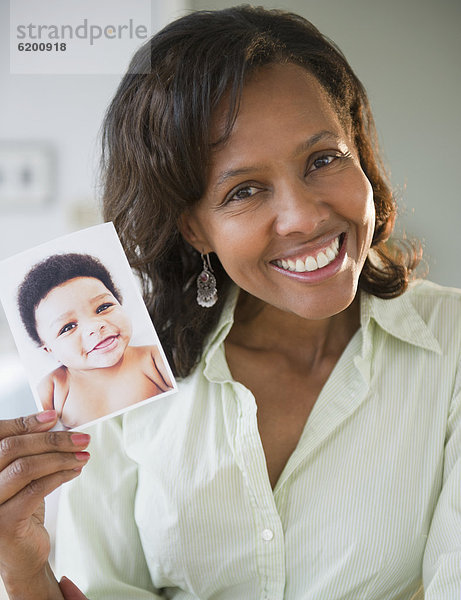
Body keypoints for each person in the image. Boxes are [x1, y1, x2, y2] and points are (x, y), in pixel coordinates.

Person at [0, 6, 460, 599]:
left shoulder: (449, 345)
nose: (304, 218)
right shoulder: (127, 385)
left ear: (361, 153)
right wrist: (23, 569)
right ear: (193, 228)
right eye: (244, 191)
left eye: (323, 159)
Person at [17, 253, 172, 429]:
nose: (95, 327)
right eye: (68, 327)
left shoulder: (152, 359)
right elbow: (35, 433)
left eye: (103, 307)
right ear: (50, 351)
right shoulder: (54, 388)